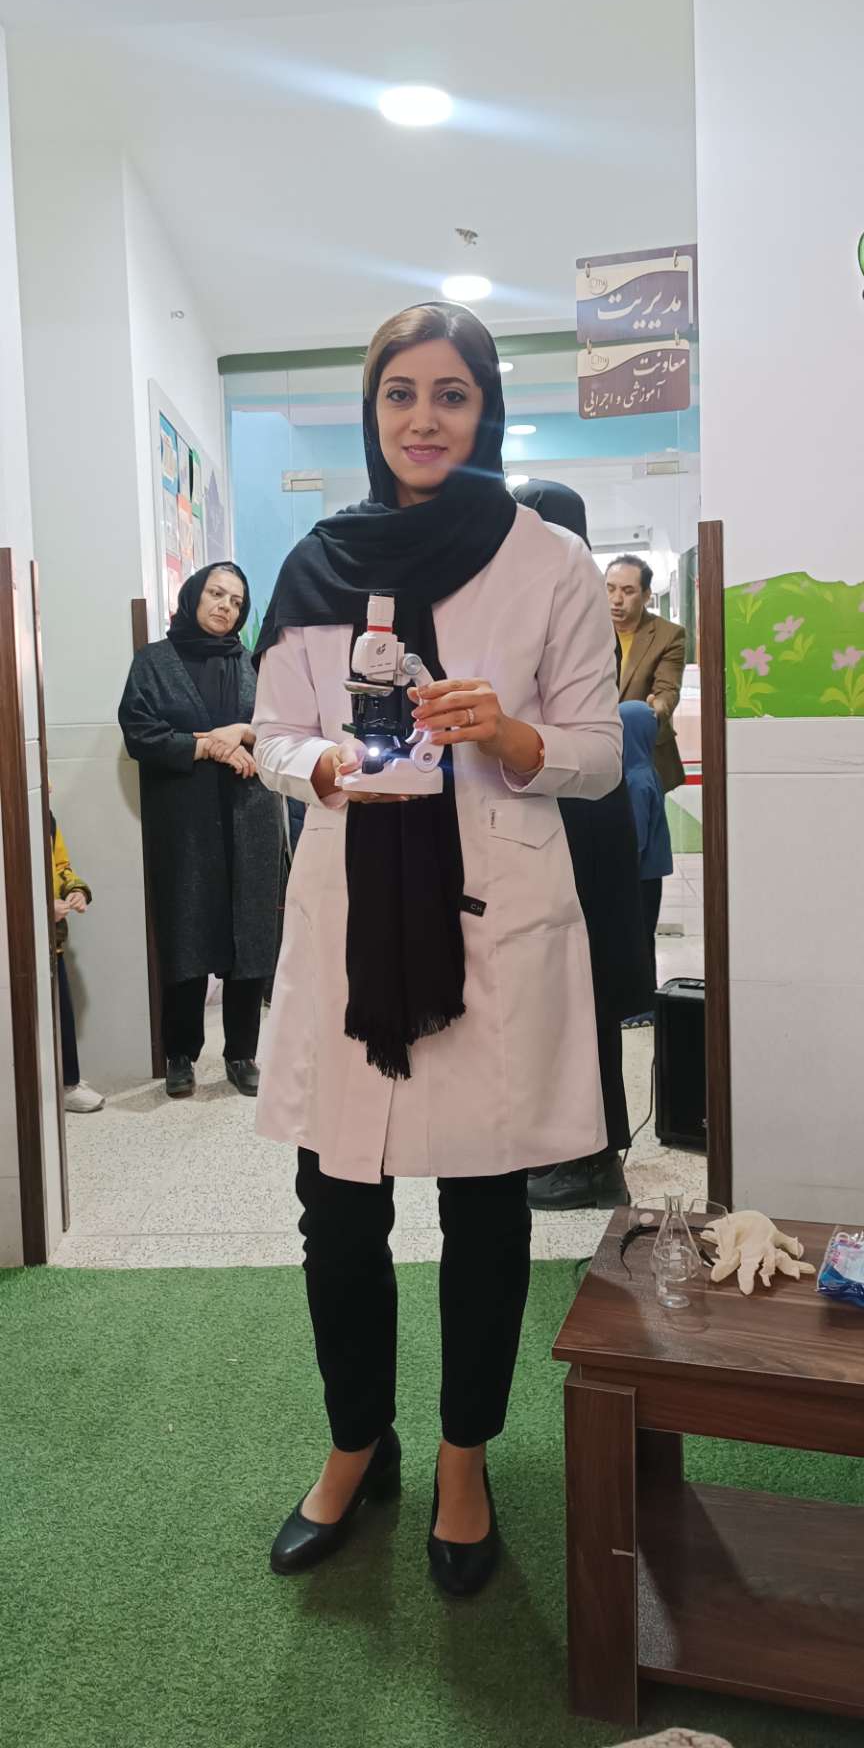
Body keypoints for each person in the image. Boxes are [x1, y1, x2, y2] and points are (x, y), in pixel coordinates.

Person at [252, 303, 621, 1595]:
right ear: (372, 412)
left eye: (451, 394)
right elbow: (275, 735)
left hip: (489, 918)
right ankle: (359, 1442)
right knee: (336, 1206)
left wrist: (509, 735)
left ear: (487, 410)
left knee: (485, 1202)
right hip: (353, 914)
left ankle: (465, 1459)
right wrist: (325, 765)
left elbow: (597, 754)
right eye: (400, 393)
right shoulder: (314, 563)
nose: (423, 419)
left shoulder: (549, 562)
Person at [514, 481, 653, 1213]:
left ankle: (593, 1161)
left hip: (582, 814)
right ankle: (577, 1152)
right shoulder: (555, 599)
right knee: (563, 993)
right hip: (576, 811)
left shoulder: (566, 605)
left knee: (584, 990)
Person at [119, 563, 283, 1100]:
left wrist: (243, 732)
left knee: (249, 933)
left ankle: (242, 1053)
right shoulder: (154, 661)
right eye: (216, 593)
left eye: (236, 601)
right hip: (184, 820)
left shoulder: (255, 663)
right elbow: (141, 733)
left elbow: (282, 726)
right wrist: (206, 746)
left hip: (249, 815)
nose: (225, 607)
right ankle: (180, 1053)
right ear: (194, 595)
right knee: (186, 929)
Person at [606, 555, 686, 792]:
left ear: (646, 595)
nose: (616, 599)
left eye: (628, 591)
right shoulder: (585, 630)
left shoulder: (668, 635)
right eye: (610, 588)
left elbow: (667, 690)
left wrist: (654, 709)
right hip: (597, 750)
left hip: (644, 752)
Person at [51, 809, 105, 1113]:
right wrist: (41, 905)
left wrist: (75, 891)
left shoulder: (45, 817)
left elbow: (61, 867)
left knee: (61, 1013)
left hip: (52, 941)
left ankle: (68, 1083)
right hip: (18, 943)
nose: (49, 787)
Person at [619, 700, 674, 1001]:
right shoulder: (645, 770)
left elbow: (636, 840)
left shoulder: (636, 781)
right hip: (649, 876)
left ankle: (642, 1002)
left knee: (638, 938)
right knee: (643, 937)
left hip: (640, 876)